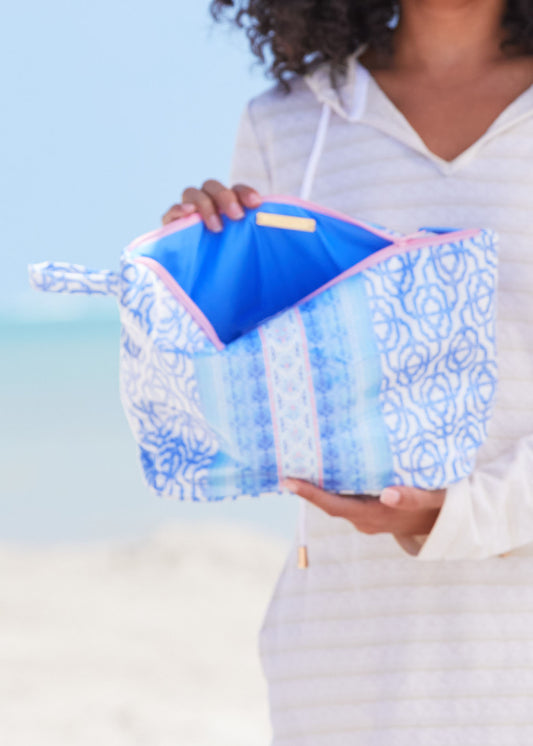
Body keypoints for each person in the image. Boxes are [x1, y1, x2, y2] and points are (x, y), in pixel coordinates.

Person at [164, 1, 533, 743]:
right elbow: (248, 397)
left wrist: (452, 514)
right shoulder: (289, 123)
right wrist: (192, 276)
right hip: (346, 656)